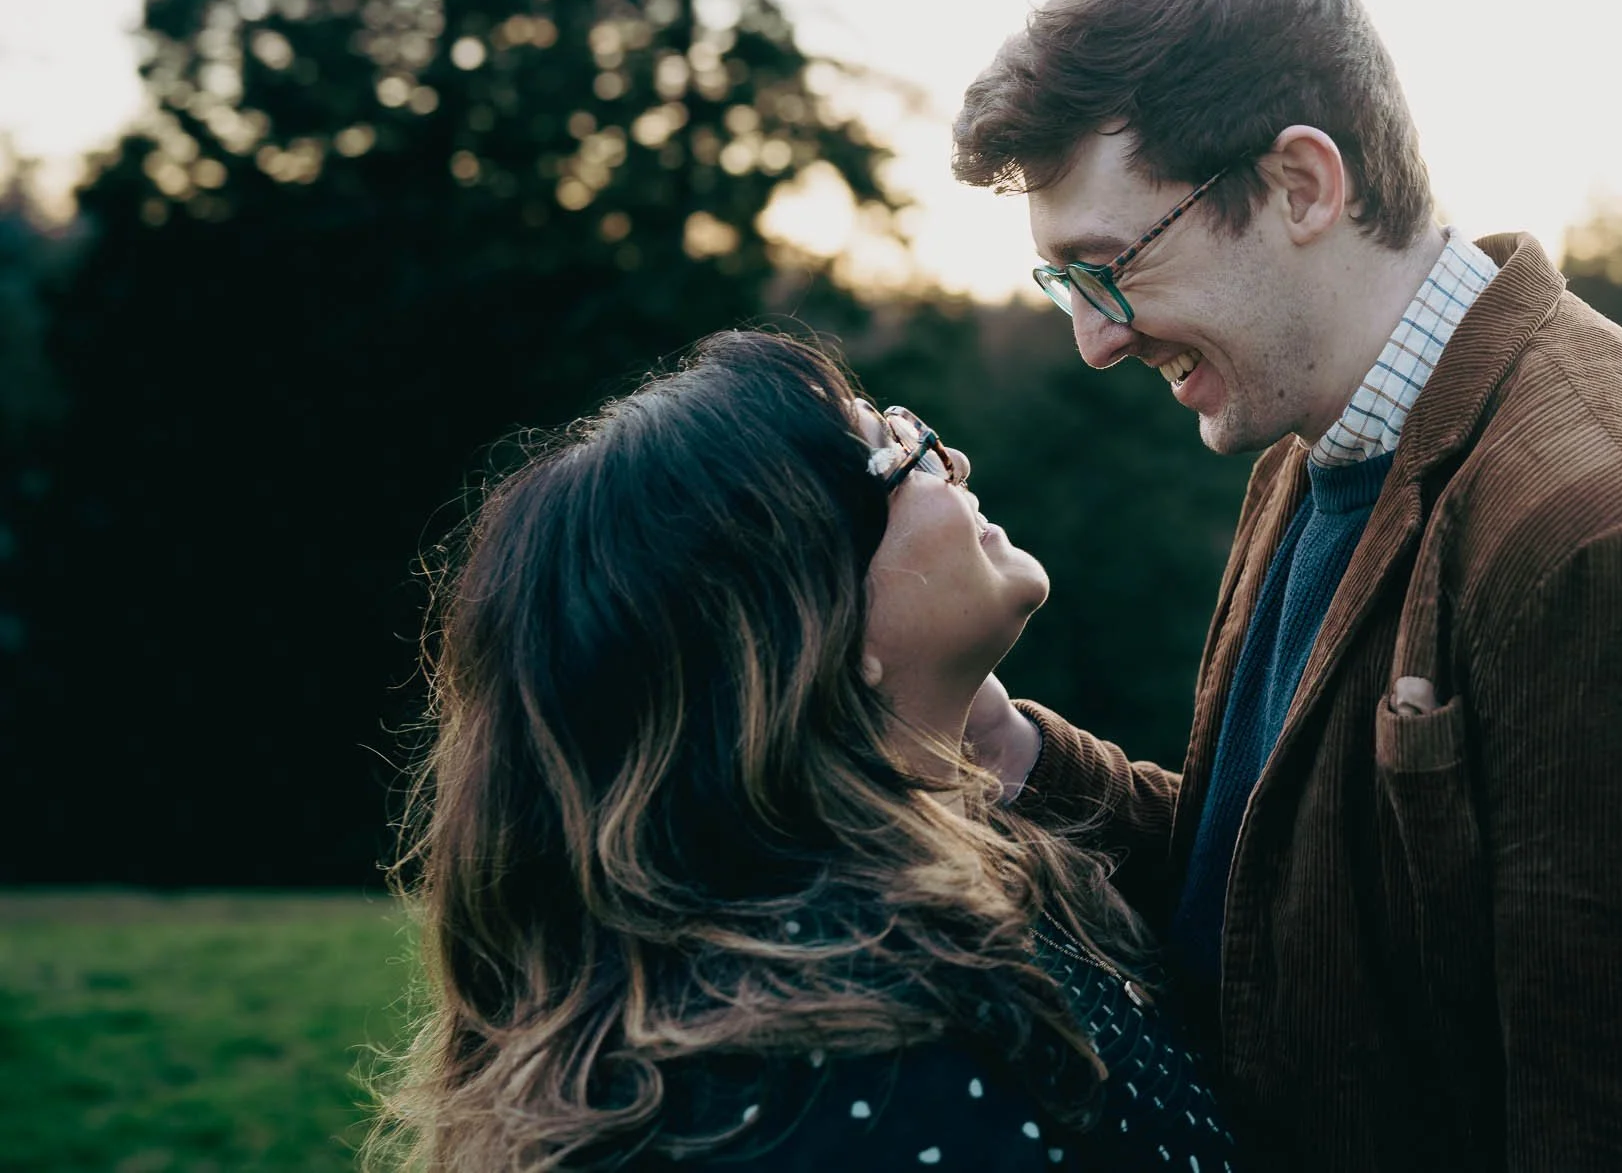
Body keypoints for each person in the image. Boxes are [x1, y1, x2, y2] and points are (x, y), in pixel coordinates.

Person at [950, 0, 1622, 1171]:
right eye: (1068, 288)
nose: (1095, 343)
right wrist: (1014, 756)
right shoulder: (1314, 440)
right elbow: (1275, 905)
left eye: (1110, 270)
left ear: (1300, 187)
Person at [367, 331, 1242, 1172]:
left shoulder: (933, 904)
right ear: (815, 619)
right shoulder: (872, 1049)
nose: (949, 461)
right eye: (898, 455)